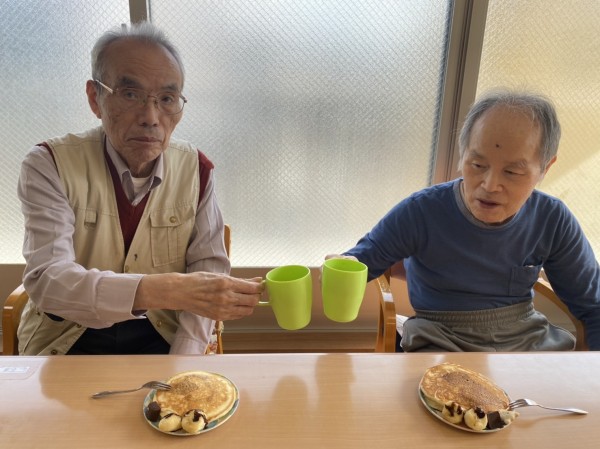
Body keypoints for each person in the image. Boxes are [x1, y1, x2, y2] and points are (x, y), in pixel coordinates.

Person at [17, 22, 263, 355]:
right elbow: (50, 281)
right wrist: (168, 289)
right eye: (130, 94)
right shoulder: (49, 163)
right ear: (95, 97)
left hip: (163, 336)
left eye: (167, 99)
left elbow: (209, 268)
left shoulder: (197, 169)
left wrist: (181, 363)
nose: (150, 117)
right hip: (65, 340)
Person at [327, 89, 600, 352]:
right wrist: (344, 266)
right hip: (439, 338)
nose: (490, 185)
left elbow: (594, 306)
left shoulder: (553, 218)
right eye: (478, 165)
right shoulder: (421, 211)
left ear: (545, 168)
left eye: (512, 172)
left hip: (525, 341)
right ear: (462, 154)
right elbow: (365, 258)